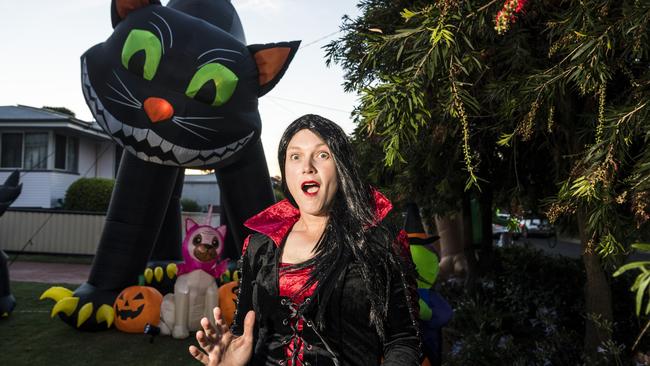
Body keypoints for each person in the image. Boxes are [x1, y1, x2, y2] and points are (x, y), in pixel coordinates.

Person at [189, 114, 421, 365]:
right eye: (295, 156)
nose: (307, 166)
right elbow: (244, 330)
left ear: (342, 167)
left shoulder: (379, 242)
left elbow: (404, 339)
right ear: (285, 170)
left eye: (322, 155)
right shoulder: (260, 246)